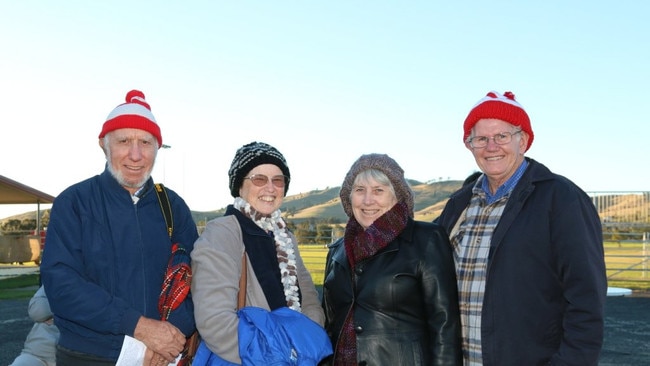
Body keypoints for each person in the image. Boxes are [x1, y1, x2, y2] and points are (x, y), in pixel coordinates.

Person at [436, 91, 607, 365]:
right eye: (481, 139)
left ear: (523, 141)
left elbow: (586, 299)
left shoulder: (561, 199)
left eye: (502, 136)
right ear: (469, 145)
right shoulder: (459, 204)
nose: (491, 147)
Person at [40, 90, 199, 365]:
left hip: (164, 356)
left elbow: (198, 279)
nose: (135, 155)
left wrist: (170, 337)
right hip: (90, 355)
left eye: (146, 142)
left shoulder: (173, 206)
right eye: (124, 141)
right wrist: (140, 328)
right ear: (104, 144)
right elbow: (61, 285)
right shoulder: (75, 202)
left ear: (157, 148)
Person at [191, 141, 329, 364]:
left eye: (278, 180)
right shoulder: (224, 232)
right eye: (259, 179)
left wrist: (303, 344)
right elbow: (215, 321)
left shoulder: (285, 237)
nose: (270, 188)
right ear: (240, 186)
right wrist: (278, 355)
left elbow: (310, 301)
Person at [322, 153, 462, 365]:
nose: (368, 200)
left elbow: (444, 325)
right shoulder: (337, 250)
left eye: (379, 190)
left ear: (397, 196)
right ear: (349, 197)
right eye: (360, 190)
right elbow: (330, 323)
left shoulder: (425, 240)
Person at [10, 286, 59, 366]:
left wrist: (56, 313)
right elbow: (38, 311)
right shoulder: (59, 277)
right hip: (37, 354)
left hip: (77, 356)